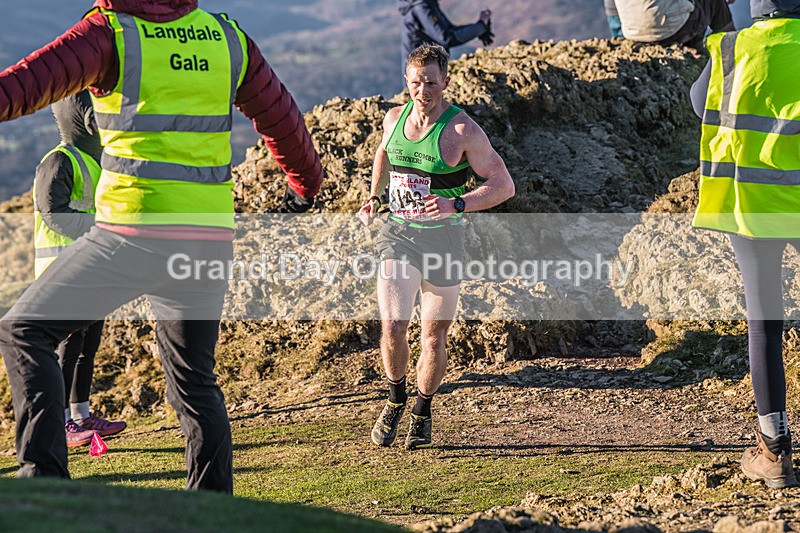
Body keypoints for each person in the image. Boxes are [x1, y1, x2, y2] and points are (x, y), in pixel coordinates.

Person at [0, 0, 323, 493]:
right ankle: (211, 510)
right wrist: (306, 185)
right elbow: (282, 117)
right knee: (195, 384)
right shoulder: (226, 38)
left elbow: (22, 87)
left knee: (24, 330)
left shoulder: (111, 34)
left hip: (132, 235)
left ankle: (44, 485)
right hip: (208, 240)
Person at [359, 44, 514, 450]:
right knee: (393, 326)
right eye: (415, 83)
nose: (422, 91)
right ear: (405, 82)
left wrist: (457, 202)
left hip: (445, 239)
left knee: (433, 338)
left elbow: (504, 185)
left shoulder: (463, 131)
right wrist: (374, 197)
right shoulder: (394, 118)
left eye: (430, 82)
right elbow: (383, 155)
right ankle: (395, 399)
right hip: (398, 234)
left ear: (445, 81)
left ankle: (423, 409)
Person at [691, 0, 800, 488]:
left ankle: (774, 452)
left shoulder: (732, 48)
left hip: (752, 205)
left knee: (764, 324)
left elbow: (699, 103)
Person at [34, 90, 126, 448]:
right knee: (67, 347)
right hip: (62, 268)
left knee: (88, 344)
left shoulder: (98, 161)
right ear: (87, 120)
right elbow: (52, 212)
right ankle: (61, 424)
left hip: (93, 266)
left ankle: (81, 417)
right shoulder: (59, 160)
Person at [398, 0, 494, 73]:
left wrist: (479, 28)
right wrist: (481, 27)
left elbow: (449, 30)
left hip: (427, 72)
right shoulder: (421, 7)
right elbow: (446, 38)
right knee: (415, 99)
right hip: (421, 74)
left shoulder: (426, 4)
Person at [614, 0, 735, 52]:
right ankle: (731, 52)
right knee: (714, 2)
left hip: (632, 32)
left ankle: (696, 50)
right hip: (666, 31)